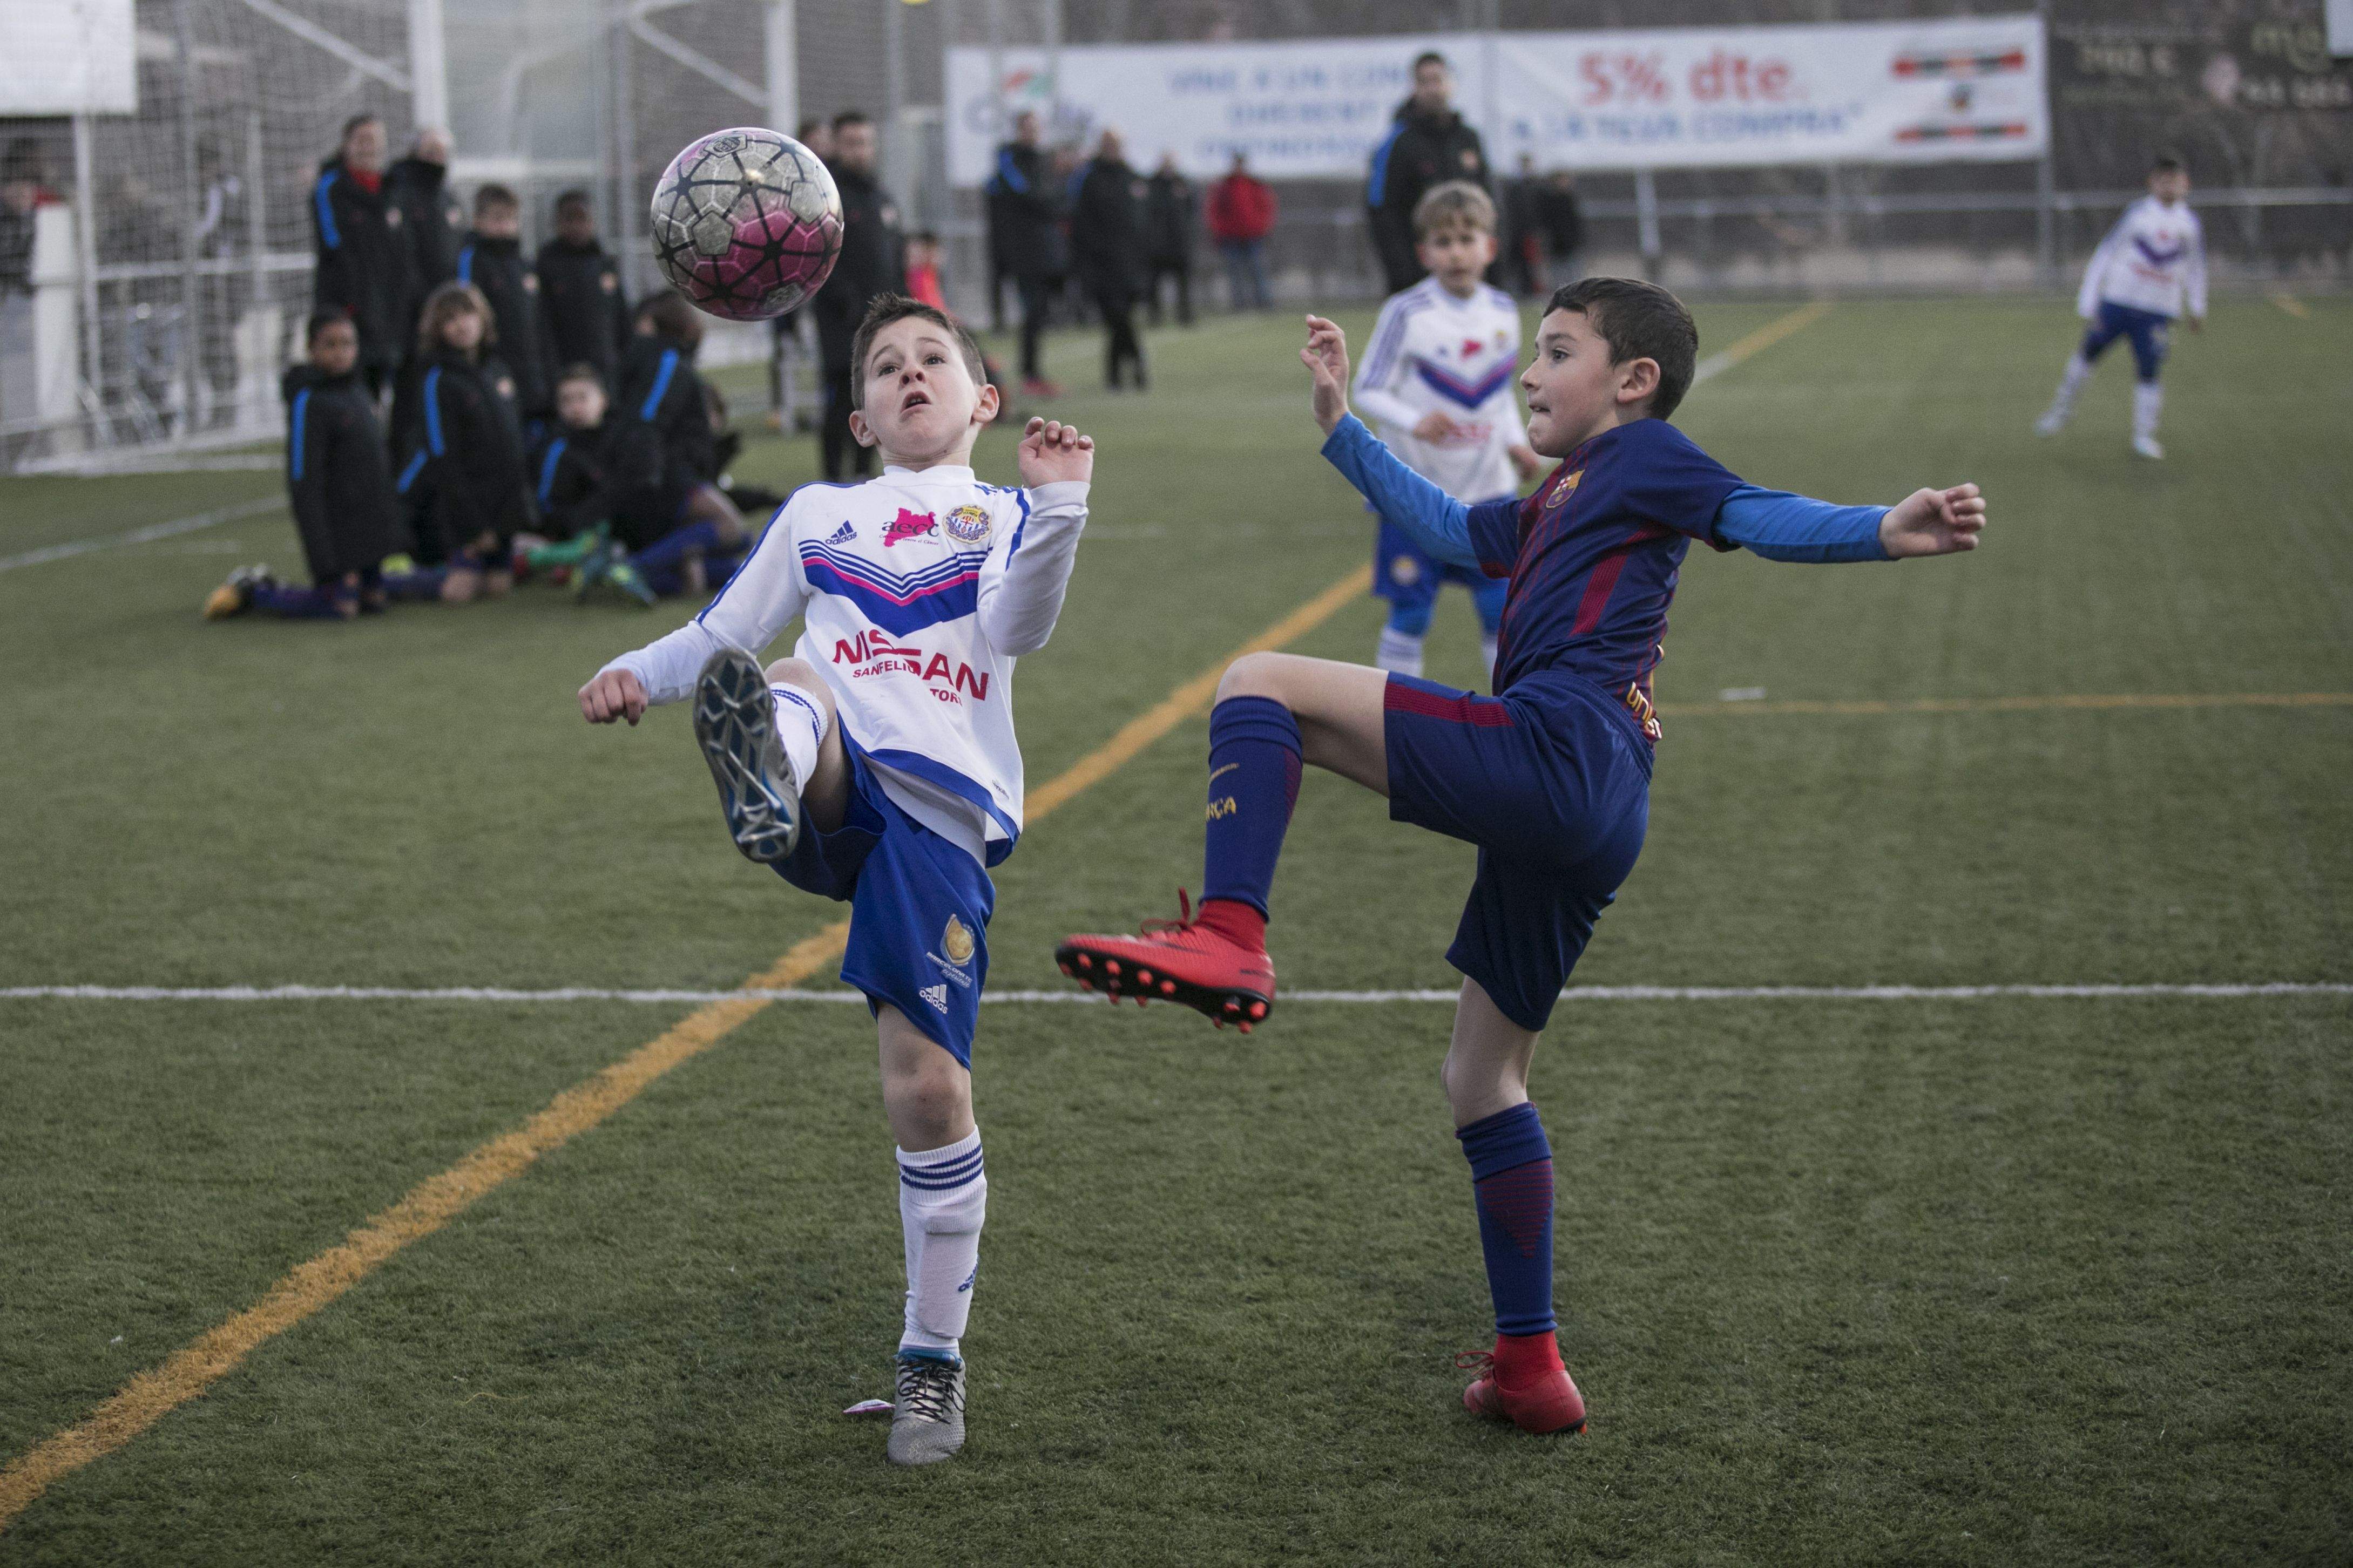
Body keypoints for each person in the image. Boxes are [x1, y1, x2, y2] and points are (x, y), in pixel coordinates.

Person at [1053, 277, 1986, 1436]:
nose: (1528, 375)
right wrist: (1343, 427)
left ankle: (1229, 938)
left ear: (1630, 381)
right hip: (1600, 803)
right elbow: (1451, 531)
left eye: (1553, 353)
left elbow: (1750, 512)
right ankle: (1531, 1367)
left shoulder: (1645, 458)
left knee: (1259, 685)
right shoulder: (1559, 495)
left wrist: (1877, 533)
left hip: (1561, 747)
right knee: (1482, 1080)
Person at [576, 295, 1096, 1467]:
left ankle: (931, 1362)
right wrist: (627, 670)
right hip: (833, 772)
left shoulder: (1002, 511)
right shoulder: (817, 515)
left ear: (981, 400)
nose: (909, 376)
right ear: (859, 417)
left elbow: (1019, 627)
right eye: (883, 368)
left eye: (931, 361)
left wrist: (1060, 505)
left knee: (925, 1098)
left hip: (935, 818)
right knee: (790, 669)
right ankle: (771, 766)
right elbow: (718, 634)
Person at [1351, 183, 1538, 680]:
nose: (1456, 252)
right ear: (1424, 252)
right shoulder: (1406, 313)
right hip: (1416, 494)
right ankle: (1395, 721)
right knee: (1412, 614)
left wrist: (1516, 440)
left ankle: (1511, 717)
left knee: (1501, 613)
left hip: (1489, 492)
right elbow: (1366, 389)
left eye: (1467, 238)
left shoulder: (1502, 311)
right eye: (1443, 241)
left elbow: (1498, 394)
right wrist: (1416, 422)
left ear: (1490, 247)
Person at [205, 309, 404, 621]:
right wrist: (323, 559)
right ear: (312, 350)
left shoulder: (360, 391)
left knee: (375, 603)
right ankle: (257, 591)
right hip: (339, 535)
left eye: (347, 344)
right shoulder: (309, 402)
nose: (341, 353)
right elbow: (304, 484)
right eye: (331, 345)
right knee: (342, 608)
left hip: (370, 533)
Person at [2035, 153, 2207, 461]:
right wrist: (2089, 296)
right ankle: (2059, 413)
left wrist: (2196, 306)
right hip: (2118, 303)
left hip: (2157, 312)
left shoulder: (2189, 225)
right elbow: (2106, 253)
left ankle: (2144, 436)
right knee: (2086, 355)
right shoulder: (2137, 214)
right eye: (2162, 179)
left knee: (2149, 372)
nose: (2168, 185)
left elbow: (2196, 267)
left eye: (2174, 180)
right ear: (2152, 183)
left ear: (2186, 185)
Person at [586, 293, 752, 602]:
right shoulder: (666, 360)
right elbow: (648, 417)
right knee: (731, 529)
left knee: (724, 566)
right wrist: (647, 474)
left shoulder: (646, 359)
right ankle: (632, 566)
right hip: (664, 474)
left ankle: (623, 565)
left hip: (662, 470)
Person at [408, 281, 533, 602]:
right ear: (437, 330)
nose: (462, 325)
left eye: (468, 315)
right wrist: (473, 526)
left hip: (503, 505)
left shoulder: (497, 369)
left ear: (482, 318)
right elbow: (442, 456)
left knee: (499, 588)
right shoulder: (438, 380)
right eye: (450, 320)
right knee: (459, 594)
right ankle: (400, 579)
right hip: (466, 508)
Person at [815, 111, 908, 480]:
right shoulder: (827, 194)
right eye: (852, 143)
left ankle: (867, 477)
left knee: (878, 400)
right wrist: (849, 303)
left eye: (866, 142)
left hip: (883, 321)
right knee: (842, 400)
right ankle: (832, 480)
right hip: (843, 321)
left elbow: (894, 256)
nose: (861, 150)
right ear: (837, 145)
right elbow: (821, 257)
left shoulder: (880, 194)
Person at [1367, 53, 1491, 295]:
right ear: (1415, 87)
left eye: (1438, 79)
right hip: (1418, 276)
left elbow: (1488, 203)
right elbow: (1381, 209)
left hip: (1470, 272)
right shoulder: (1398, 143)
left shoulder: (1469, 139)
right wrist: (1403, 272)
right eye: (1425, 81)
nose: (1433, 88)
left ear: (1451, 83)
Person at [310, 114, 411, 395]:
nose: (370, 148)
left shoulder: (392, 192)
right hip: (350, 314)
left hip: (388, 316)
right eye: (362, 140)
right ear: (347, 145)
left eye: (376, 141)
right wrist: (352, 305)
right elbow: (335, 249)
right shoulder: (330, 189)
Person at [456, 184, 550, 426]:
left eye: (510, 219)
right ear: (478, 221)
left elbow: (539, 323)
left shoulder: (524, 265)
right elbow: (468, 314)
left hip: (531, 378)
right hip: (495, 373)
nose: (505, 226)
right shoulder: (471, 260)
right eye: (497, 219)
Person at [986, 111, 1062, 396]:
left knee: (1040, 311)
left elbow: (1055, 198)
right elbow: (1028, 194)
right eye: (1027, 127)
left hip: (1044, 250)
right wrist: (1043, 201)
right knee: (1030, 309)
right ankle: (1030, 374)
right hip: (1020, 250)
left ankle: (1033, 371)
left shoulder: (1042, 160)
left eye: (1036, 127)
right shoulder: (1009, 158)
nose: (1032, 132)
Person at [1070, 129, 1150, 391]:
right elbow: (1082, 224)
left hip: (1131, 263)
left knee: (1123, 318)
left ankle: (1119, 373)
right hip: (1102, 265)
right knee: (1117, 318)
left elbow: (1141, 221)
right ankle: (1135, 366)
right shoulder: (1091, 179)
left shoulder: (1132, 177)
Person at [537, 190, 630, 384]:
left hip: (605, 370)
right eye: (570, 220)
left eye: (582, 219)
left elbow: (621, 318)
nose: (577, 227)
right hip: (564, 371)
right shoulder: (546, 264)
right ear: (558, 223)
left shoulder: (604, 263)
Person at [384, 127, 463, 342]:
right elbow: (401, 251)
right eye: (431, 151)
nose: (438, 157)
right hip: (412, 307)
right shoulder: (400, 194)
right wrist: (420, 297)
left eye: (442, 151)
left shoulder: (449, 199)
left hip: (448, 303)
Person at [1206, 151, 1276, 311]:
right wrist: (1220, 231)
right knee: (1235, 273)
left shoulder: (1255, 184)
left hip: (1253, 235)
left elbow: (1266, 208)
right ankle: (1239, 305)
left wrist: (1261, 227)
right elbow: (1215, 211)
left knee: (1257, 270)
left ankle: (1264, 303)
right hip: (1231, 237)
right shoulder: (1224, 186)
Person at [1142, 153, 1196, 328]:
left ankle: (1185, 315)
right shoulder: (1151, 184)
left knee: (1183, 283)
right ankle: (1155, 316)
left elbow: (1191, 209)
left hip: (1178, 243)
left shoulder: (1183, 183)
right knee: (1154, 283)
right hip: (1156, 243)